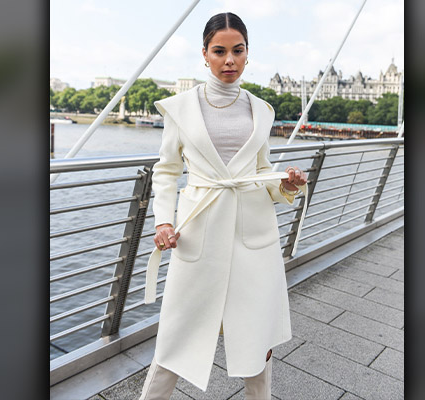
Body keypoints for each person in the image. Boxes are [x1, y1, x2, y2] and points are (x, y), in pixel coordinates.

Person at [139, 12, 308, 400]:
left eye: (238, 50)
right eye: (220, 51)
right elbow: (165, 172)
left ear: (248, 54)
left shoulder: (262, 110)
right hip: (199, 233)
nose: (229, 59)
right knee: (176, 337)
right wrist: (163, 221)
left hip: (254, 238)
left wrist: (287, 184)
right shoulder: (180, 108)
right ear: (205, 54)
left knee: (256, 340)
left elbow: (263, 172)